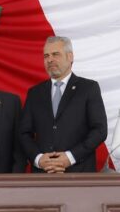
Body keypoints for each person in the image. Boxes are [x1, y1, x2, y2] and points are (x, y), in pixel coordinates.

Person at [20, 36, 108, 173]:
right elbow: (24, 133)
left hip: (79, 173)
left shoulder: (88, 88)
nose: (50, 60)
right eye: (46, 56)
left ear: (70, 57)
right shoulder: (34, 93)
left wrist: (70, 157)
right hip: (42, 175)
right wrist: (38, 159)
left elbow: (100, 130)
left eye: (56, 54)